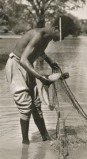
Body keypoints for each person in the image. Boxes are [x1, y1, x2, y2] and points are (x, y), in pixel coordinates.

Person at [5, 15, 77, 144]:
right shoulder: (39, 35)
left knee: (36, 105)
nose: (63, 38)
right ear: (56, 28)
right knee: (26, 106)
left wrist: (50, 62)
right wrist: (41, 78)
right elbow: (23, 59)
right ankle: (25, 143)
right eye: (63, 34)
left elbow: (38, 50)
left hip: (27, 65)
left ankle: (45, 137)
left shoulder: (47, 37)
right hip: (16, 64)